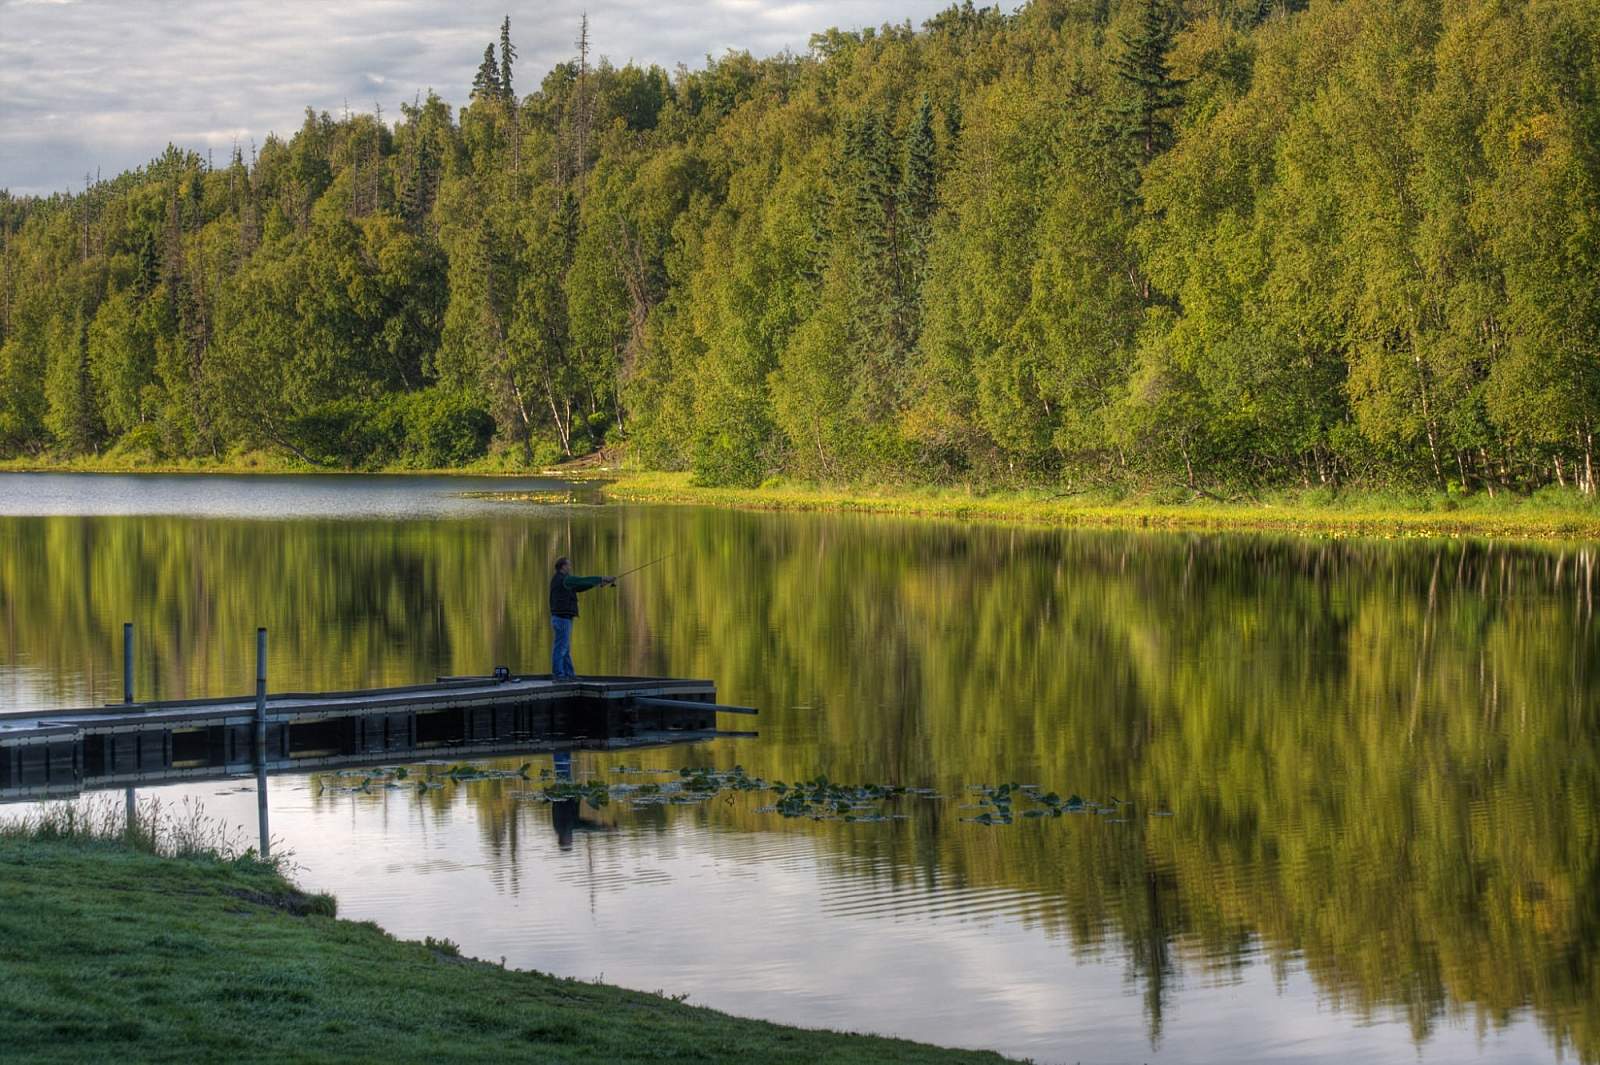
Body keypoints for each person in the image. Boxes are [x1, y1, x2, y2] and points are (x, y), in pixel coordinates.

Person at [549, 557, 615, 680]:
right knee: (561, 648)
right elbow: (581, 580)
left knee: (565, 648)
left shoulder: (559, 579)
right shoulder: (565, 579)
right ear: (563, 566)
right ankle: (558, 675)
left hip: (561, 618)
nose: (570, 567)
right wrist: (602, 578)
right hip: (562, 619)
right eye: (568, 565)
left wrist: (597, 583)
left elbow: (580, 586)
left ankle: (569, 674)